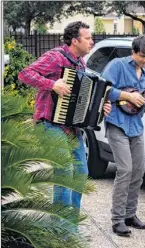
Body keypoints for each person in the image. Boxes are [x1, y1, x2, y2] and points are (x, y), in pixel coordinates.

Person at [18, 21, 112, 215]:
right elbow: (25, 74)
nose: (92, 42)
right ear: (75, 41)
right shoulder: (55, 57)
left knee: (80, 173)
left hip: (71, 127)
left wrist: (102, 108)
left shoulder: (80, 63)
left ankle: (71, 224)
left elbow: (83, 100)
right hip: (49, 124)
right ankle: (62, 230)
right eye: (88, 38)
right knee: (65, 172)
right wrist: (52, 85)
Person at [101, 35, 145, 237]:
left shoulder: (144, 76)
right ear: (133, 52)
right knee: (125, 169)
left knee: (139, 170)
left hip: (136, 126)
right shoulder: (117, 65)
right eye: (141, 55)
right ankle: (117, 220)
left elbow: (140, 105)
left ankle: (130, 215)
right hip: (117, 124)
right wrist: (126, 95)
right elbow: (103, 89)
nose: (143, 60)